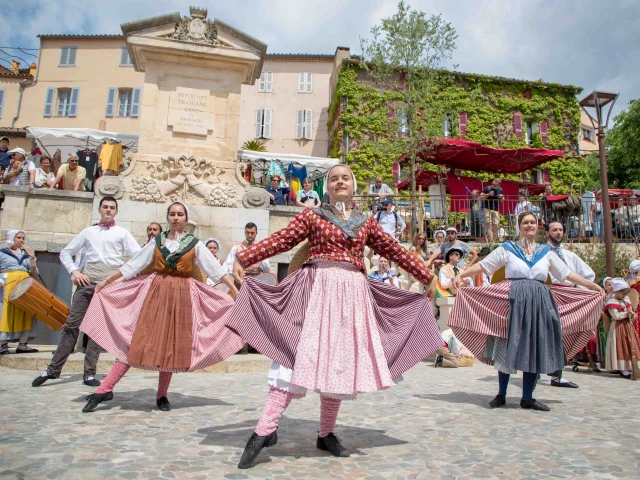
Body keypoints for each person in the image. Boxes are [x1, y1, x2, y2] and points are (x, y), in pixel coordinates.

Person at [226, 164, 441, 469]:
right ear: (327, 187)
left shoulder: (365, 224)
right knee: (293, 358)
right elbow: (284, 239)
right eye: (334, 178)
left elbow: (394, 250)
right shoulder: (313, 215)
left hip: (352, 294)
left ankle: (325, 433)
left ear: (353, 186)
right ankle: (264, 430)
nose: (340, 182)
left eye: (346, 178)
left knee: (339, 364)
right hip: (314, 289)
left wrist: (425, 273)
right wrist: (245, 256)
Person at [79, 202, 242, 412]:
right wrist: (106, 281)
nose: (176, 218)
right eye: (172, 214)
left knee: (171, 346)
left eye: (180, 214)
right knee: (137, 341)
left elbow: (216, 271)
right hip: (155, 294)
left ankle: (162, 394)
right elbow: (134, 265)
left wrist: (236, 293)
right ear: (168, 218)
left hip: (182, 297)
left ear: (185, 218)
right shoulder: (157, 241)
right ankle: (104, 389)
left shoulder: (194, 244)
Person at [449, 211, 603, 412]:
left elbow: (566, 274)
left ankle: (527, 397)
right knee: (506, 343)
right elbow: (485, 265)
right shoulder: (508, 248)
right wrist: (462, 274)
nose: (529, 225)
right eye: (525, 222)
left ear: (537, 226)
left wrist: (591, 286)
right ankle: (501, 394)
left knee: (534, 346)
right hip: (512, 299)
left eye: (532, 222)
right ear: (519, 226)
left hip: (539, 302)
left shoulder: (545, 252)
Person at [32, 196, 141, 388]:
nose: (108, 210)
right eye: (105, 207)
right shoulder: (89, 232)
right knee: (72, 324)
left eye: (112, 208)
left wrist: (122, 278)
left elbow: (138, 258)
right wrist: (74, 271)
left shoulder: (122, 233)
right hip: (88, 280)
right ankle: (53, 369)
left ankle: (89, 373)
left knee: (97, 329)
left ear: (116, 211)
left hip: (108, 285)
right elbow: (66, 252)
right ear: (99, 209)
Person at [545, 219, 596, 388]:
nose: (558, 233)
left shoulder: (570, 255)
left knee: (563, 334)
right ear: (547, 233)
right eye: (554, 230)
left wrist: (578, 289)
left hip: (568, 296)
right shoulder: (542, 253)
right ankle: (535, 371)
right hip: (549, 293)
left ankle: (557, 375)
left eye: (560, 230)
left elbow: (588, 274)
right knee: (542, 332)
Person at [0, 230, 39, 354]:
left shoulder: (26, 255)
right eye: (18, 238)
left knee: (25, 312)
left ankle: (22, 345)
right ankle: (3, 345)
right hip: (7, 285)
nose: (21, 240)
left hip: (24, 286)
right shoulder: (2, 253)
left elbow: (34, 273)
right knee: (6, 313)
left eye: (22, 238)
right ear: (12, 238)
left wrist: (33, 261)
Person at [604, 278, 640, 380]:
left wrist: (633, 315)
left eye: (625, 293)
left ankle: (630, 366)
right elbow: (616, 316)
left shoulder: (626, 300)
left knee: (629, 345)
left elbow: (630, 315)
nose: (624, 295)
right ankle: (621, 368)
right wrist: (626, 313)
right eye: (622, 293)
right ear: (616, 291)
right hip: (617, 327)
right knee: (620, 346)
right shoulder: (611, 302)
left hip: (627, 326)